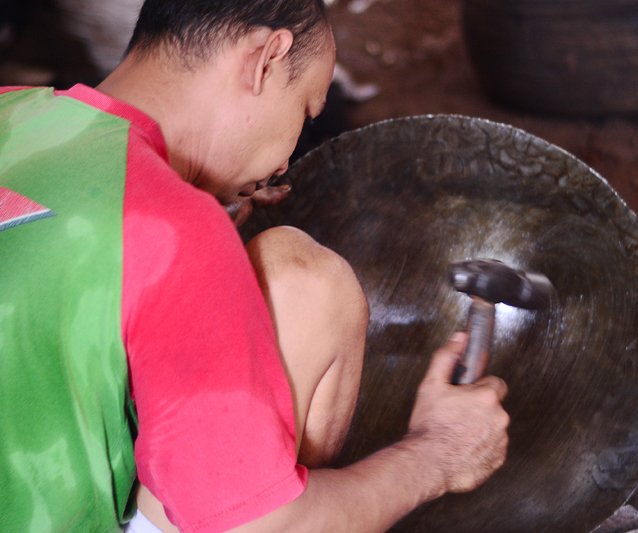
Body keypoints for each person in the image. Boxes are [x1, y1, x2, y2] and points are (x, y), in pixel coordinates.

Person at [0, 0, 510, 532]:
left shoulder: (11, 110)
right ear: (265, 59)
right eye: (305, 110)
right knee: (309, 283)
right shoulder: (168, 224)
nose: (287, 160)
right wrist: (436, 453)